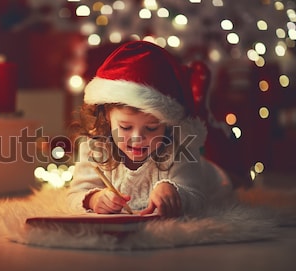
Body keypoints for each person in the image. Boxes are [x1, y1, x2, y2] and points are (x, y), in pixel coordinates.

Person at [67, 40, 233, 218]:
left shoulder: (180, 146)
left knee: (233, 183)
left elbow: (197, 197)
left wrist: (175, 192)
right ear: (107, 117)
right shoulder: (95, 148)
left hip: (217, 183)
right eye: (125, 127)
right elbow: (73, 196)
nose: (138, 138)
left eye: (152, 128)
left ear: (167, 124)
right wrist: (94, 199)